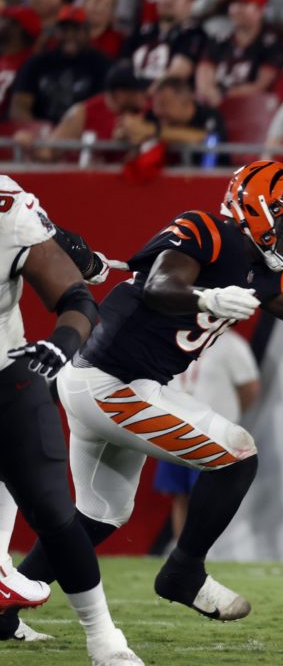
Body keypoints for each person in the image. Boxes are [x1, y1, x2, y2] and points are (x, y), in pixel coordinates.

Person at [7, 160, 283, 627]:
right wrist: (205, 297)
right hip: (110, 384)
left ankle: (6, 608)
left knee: (100, 516)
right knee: (237, 454)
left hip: (111, 383)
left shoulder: (259, 270)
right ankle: (184, 571)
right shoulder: (207, 230)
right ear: (258, 210)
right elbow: (160, 285)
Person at [0, 177, 142, 665]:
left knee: (53, 511)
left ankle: (104, 640)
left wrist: (62, 343)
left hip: (6, 379)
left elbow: (77, 299)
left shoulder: (8, 211)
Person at [153, 328, 261, 541]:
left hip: (213, 436)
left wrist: (227, 420)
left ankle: (203, 551)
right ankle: (180, 551)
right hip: (175, 430)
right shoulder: (176, 339)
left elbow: (250, 388)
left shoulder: (230, 344)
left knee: (207, 496)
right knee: (179, 495)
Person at [9, 4, 111, 125]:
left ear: (87, 33)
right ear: (56, 33)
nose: (69, 35)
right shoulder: (36, 63)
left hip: (84, 132)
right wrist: (38, 131)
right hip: (39, 132)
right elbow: (19, 106)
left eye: (76, 30)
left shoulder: (102, 65)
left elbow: (106, 108)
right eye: (64, 30)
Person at [121, 0, 207, 86]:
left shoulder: (194, 34)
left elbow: (177, 74)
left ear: (190, 3)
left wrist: (146, 93)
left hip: (164, 94)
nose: (167, 0)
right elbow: (122, 66)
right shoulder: (141, 31)